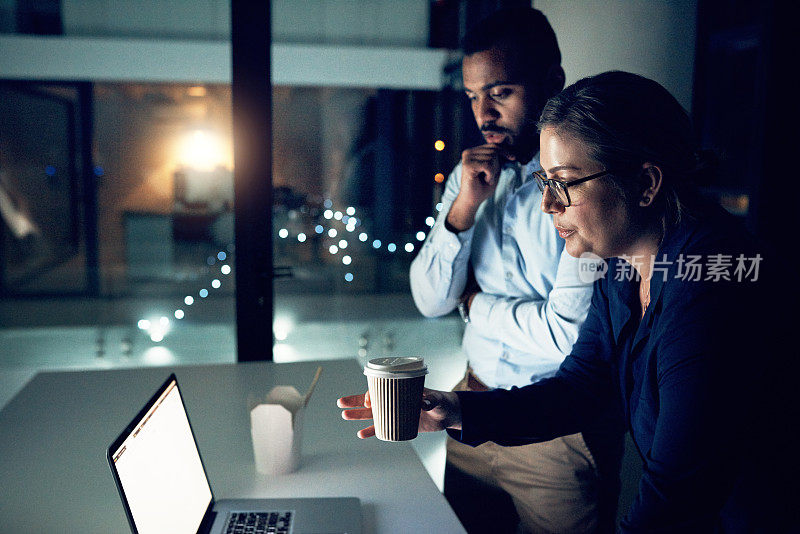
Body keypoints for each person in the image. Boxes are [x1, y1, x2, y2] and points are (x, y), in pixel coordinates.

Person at [341, 71, 794, 531]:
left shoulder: (715, 284)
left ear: (646, 183)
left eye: (564, 182)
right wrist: (455, 410)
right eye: (543, 181)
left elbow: (676, 495)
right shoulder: (620, 264)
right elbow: (580, 387)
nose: (547, 205)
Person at [409, 7, 623, 533]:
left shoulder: (581, 187)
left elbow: (566, 338)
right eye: (472, 96)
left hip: (553, 438)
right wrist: (460, 213)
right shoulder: (469, 178)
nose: (483, 112)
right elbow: (430, 301)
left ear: (552, 83)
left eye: (500, 92)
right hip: (469, 408)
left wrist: (477, 305)